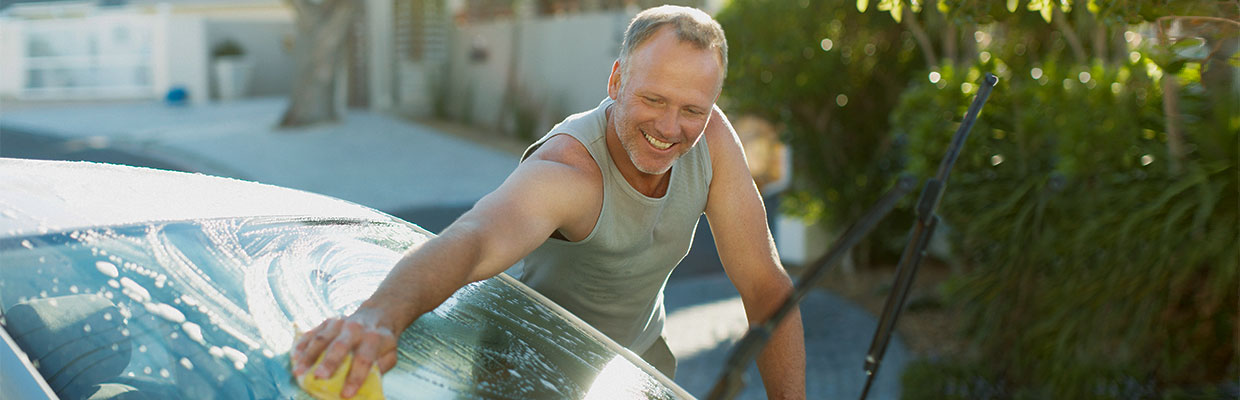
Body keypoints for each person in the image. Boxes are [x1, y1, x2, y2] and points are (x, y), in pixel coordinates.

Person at [292, 5, 806, 398]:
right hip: (527, 377)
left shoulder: (712, 139)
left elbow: (764, 284)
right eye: (653, 100)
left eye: (692, 108)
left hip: (633, 370)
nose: (670, 128)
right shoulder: (570, 170)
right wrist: (378, 315)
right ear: (616, 80)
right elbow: (473, 240)